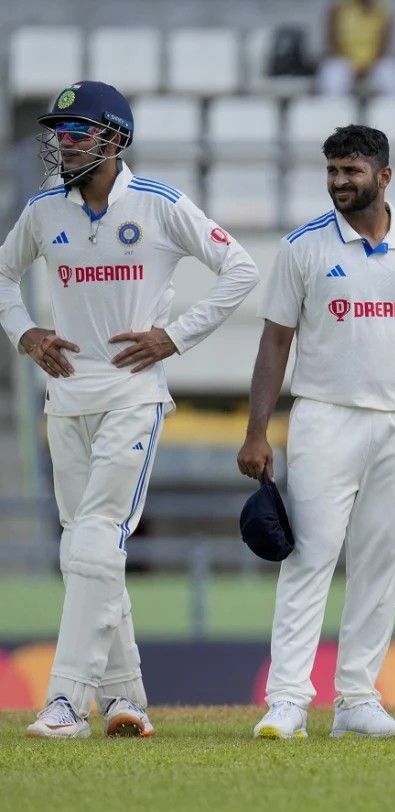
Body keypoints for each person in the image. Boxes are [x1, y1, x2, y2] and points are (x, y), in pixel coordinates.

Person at [0, 81, 259, 739]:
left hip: (131, 396)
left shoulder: (158, 204)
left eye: (78, 130)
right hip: (65, 400)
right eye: (59, 131)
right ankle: (127, 697)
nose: (64, 142)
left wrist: (174, 335)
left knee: (95, 538)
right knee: (87, 552)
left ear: (115, 138)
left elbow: (241, 269)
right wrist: (25, 332)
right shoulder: (42, 211)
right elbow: (2, 275)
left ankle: (65, 701)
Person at [240, 125, 395, 739]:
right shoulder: (303, 247)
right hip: (325, 417)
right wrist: (256, 431)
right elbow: (274, 343)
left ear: (383, 177)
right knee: (311, 557)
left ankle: (356, 700)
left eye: (352, 172)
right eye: (333, 172)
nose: (340, 183)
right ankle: (288, 698)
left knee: (380, 562)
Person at [316, 0, 395, 96]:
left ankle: (394, 110)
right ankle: (333, 109)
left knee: (393, 72)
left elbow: (385, 46)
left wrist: (366, 67)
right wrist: (354, 67)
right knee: (333, 72)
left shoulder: (384, 11)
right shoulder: (338, 9)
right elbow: (332, 43)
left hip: (375, 63)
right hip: (345, 62)